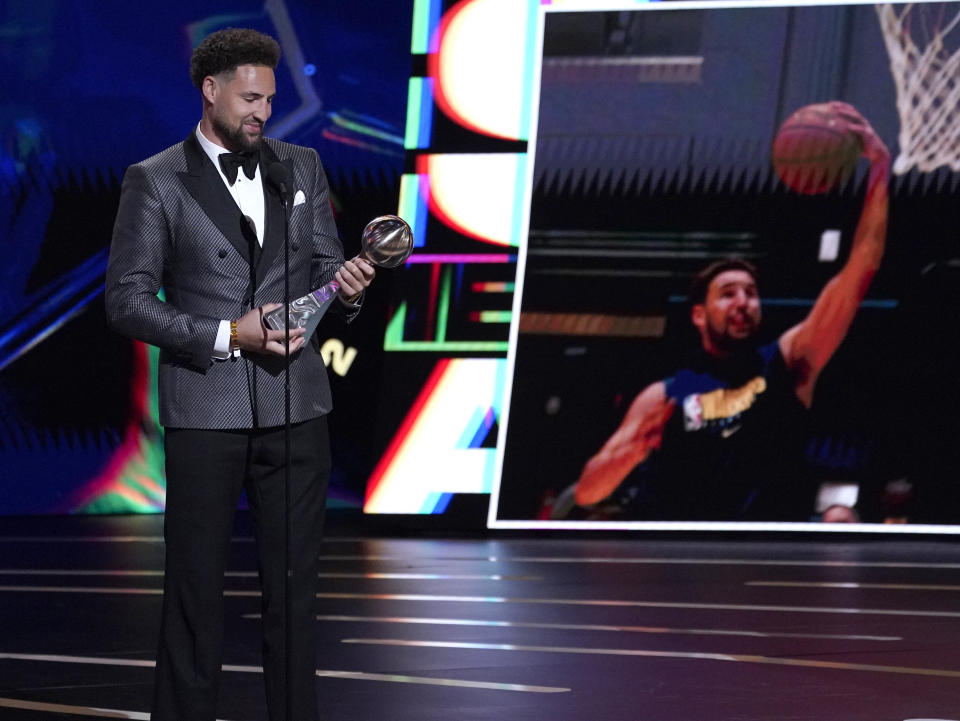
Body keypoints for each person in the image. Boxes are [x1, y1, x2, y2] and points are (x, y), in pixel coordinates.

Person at [105, 28, 375, 721]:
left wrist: (344, 290)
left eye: (271, 99)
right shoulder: (156, 178)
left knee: (294, 591)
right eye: (250, 98)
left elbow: (323, 273)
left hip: (297, 406)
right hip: (207, 410)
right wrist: (229, 333)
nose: (263, 111)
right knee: (195, 590)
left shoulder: (302, 166)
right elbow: (127, 301)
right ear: (211, 91)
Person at [572, 102, 890, 521]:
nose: (743, 301)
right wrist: (632, 451)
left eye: (751, 292)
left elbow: (860, 268)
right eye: (728, 294)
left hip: (768, 558)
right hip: (685, 563)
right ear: (699, 315)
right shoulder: (665, 395)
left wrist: (881, 169)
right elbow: (588, 492)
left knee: (838, 522)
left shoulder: (790, 361)